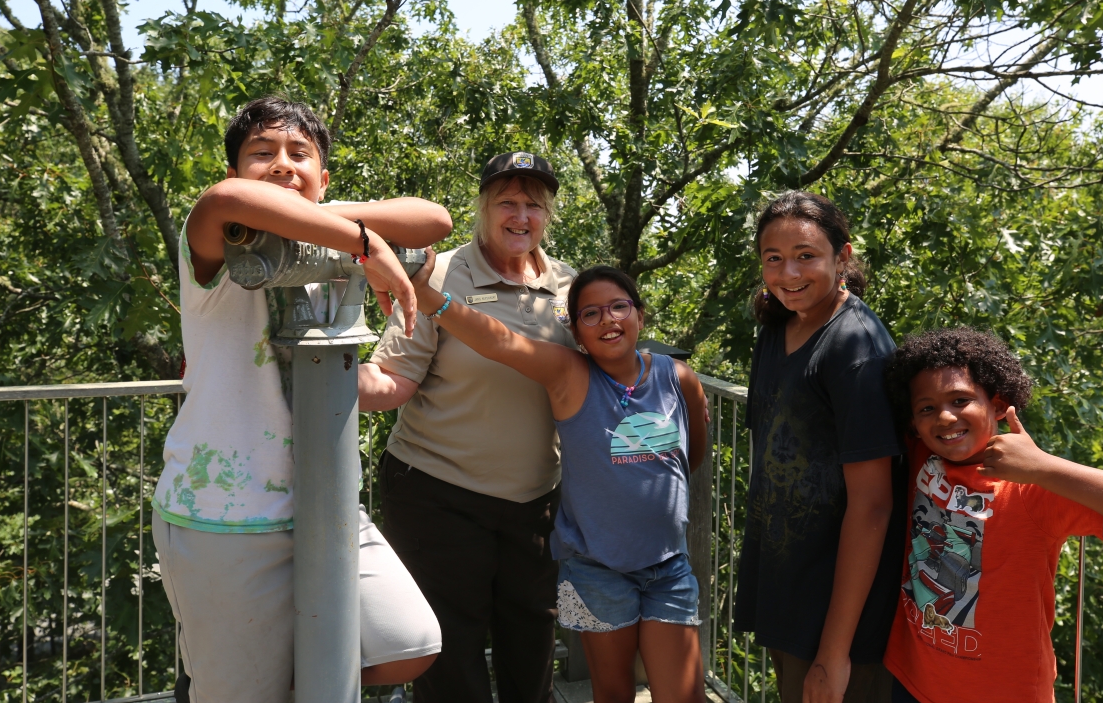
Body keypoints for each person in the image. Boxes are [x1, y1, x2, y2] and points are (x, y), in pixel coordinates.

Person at [151, 96, 449, 703]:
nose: (283, 164)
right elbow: (223, 202)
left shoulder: (322, 232)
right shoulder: (220, 239)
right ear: (235, 170)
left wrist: (330, 221)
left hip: (323, 501)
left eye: (300, 154)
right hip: (225, 517)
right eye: (262, 153)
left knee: (408, 642)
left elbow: (434, 220)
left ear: (324, 177)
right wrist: (366, 244)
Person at [404, 257, 709, 703]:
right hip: (597, 572)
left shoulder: (678, 378)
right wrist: (429, 296)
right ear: (577, 332)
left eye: (619, 307)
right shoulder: (570, 374)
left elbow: (689, 457)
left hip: (669, 567)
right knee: (613, 694)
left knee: (685, 697)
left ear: (640, 315)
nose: (608, 319)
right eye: (591, 313)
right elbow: (499, 341)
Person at [358, 152, 578, 703]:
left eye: (534, 205)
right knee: (450, 659)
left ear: (548, 214)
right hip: (438, 494)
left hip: (535, 503)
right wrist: (319, 377)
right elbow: (394, 378)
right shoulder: (439, 275)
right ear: (483, 207)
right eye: (507, 202)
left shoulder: (570, 288)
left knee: (532, 648)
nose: (521, 216)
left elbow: (590, 381)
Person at [880, 327, 1103, 703]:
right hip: (913, 679)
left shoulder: (1033, 489)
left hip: (1005, 693)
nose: (943, 417)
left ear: (998, 403)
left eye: (960, 400)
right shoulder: (923, 455)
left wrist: (1043, 466)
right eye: (927, 408)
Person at [733, 191, 906, 703]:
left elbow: (873, 505)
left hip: (837, 612)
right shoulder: (779, 325)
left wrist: (834, 653)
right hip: (790, 590)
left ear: (842, 256)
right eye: (773, 258)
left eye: (805, 255)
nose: (788, 273)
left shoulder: (855, 347)